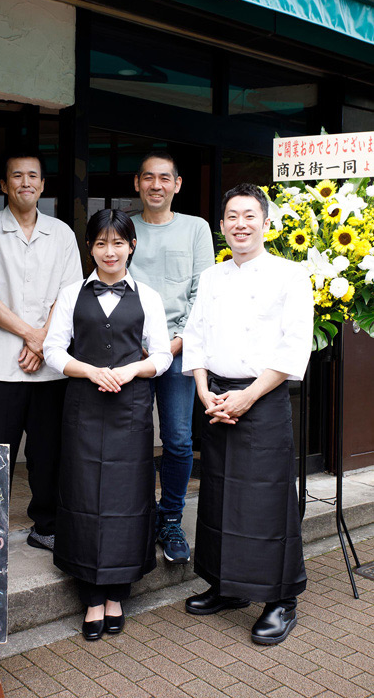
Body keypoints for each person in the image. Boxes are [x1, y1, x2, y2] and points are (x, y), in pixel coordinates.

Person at [182, 183, 313, 646]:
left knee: (267, 501)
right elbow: (194, 336)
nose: (241, 223)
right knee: (218, 495)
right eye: (232, 216)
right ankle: (227, 586)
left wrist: (247, 396)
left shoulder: (290, 274)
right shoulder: (213, 276)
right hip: (215, 397)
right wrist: (203, 391)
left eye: (249, 215)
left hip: (262, 398)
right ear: (222, 226)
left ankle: (281, 600)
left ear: (266, 221)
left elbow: (294, 346)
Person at [44, 209, 172, 641]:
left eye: (118, 243)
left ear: (131, 246)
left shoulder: (148, 297)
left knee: (127, 496)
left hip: (131, 409)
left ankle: (117, 593)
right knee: (82, 494)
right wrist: (86, 369)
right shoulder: (70, 294)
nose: (110, 251)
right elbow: (53, 350)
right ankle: (91, 597)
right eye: (101, 243)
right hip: (83, 406)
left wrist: (134, 370)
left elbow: (163, 354)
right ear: (90, 248)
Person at [0, 152, 82, 551]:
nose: (25, 182)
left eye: (33, 175)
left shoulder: (62, 234)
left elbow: (68, 297)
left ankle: (46, 525)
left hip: (49, 364)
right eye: (16, 175)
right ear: (3, 185)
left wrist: (42, 340)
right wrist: (31, 336)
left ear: (43, 185)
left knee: (47, 450)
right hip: (1, 360)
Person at [130, 151, 214, 564]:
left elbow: (204, 293)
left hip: (180, 351)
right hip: (133, 352)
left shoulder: (196, 228)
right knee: (134, 439)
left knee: (178, 440)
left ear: (177, 184)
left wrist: (173, 345)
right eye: (149, 178)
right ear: (137, 183)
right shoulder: (126, 229)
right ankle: (139, 519)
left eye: (165, 178)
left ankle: (171, 519)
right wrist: (137, 347)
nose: (157, 185)